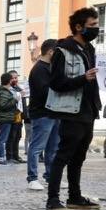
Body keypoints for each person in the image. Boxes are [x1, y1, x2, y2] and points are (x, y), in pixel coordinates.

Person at [44, 7, 102, 210]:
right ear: (79, 27)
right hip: (71, 110)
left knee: (79, 156)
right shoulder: (63, 50)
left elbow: (92, 78)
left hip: (89, 109)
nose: (97, 28)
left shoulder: (90, 49)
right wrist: (82, 78)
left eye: (97, 24)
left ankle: (75, 197)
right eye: (92, 25)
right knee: (63, 155)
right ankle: (52, 199)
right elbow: (56, 83)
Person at [25, 38, 62, 192]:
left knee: (53, 148)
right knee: (37, 147)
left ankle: (50, 177)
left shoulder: (51, 67)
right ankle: (32, 178)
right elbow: (44, 91)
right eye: (58, 53)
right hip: (42, 113)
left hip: (54, 113)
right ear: (51, 52)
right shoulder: (39, 69)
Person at [0, 73, 19, 165]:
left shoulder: (4, 90)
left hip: (5, 117)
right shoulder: (4, 92)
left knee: (4, 138)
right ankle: (1, 158)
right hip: (5, 118)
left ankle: (2, 157)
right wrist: (15, 100)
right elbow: (3, 105)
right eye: (12, 79)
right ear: (9, 80)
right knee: (3, 138)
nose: (14, 80)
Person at [6, 72, 27, 163]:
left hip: (19, 116)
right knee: (11, 137)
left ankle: (16, 156)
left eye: (16, 78)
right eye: (13, 78)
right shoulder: (7, 89)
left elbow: (23, 102)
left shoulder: (18, 88)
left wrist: (24, 115)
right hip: (12, 116)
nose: (15, 79)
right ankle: (10, 157)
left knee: (18, 137)